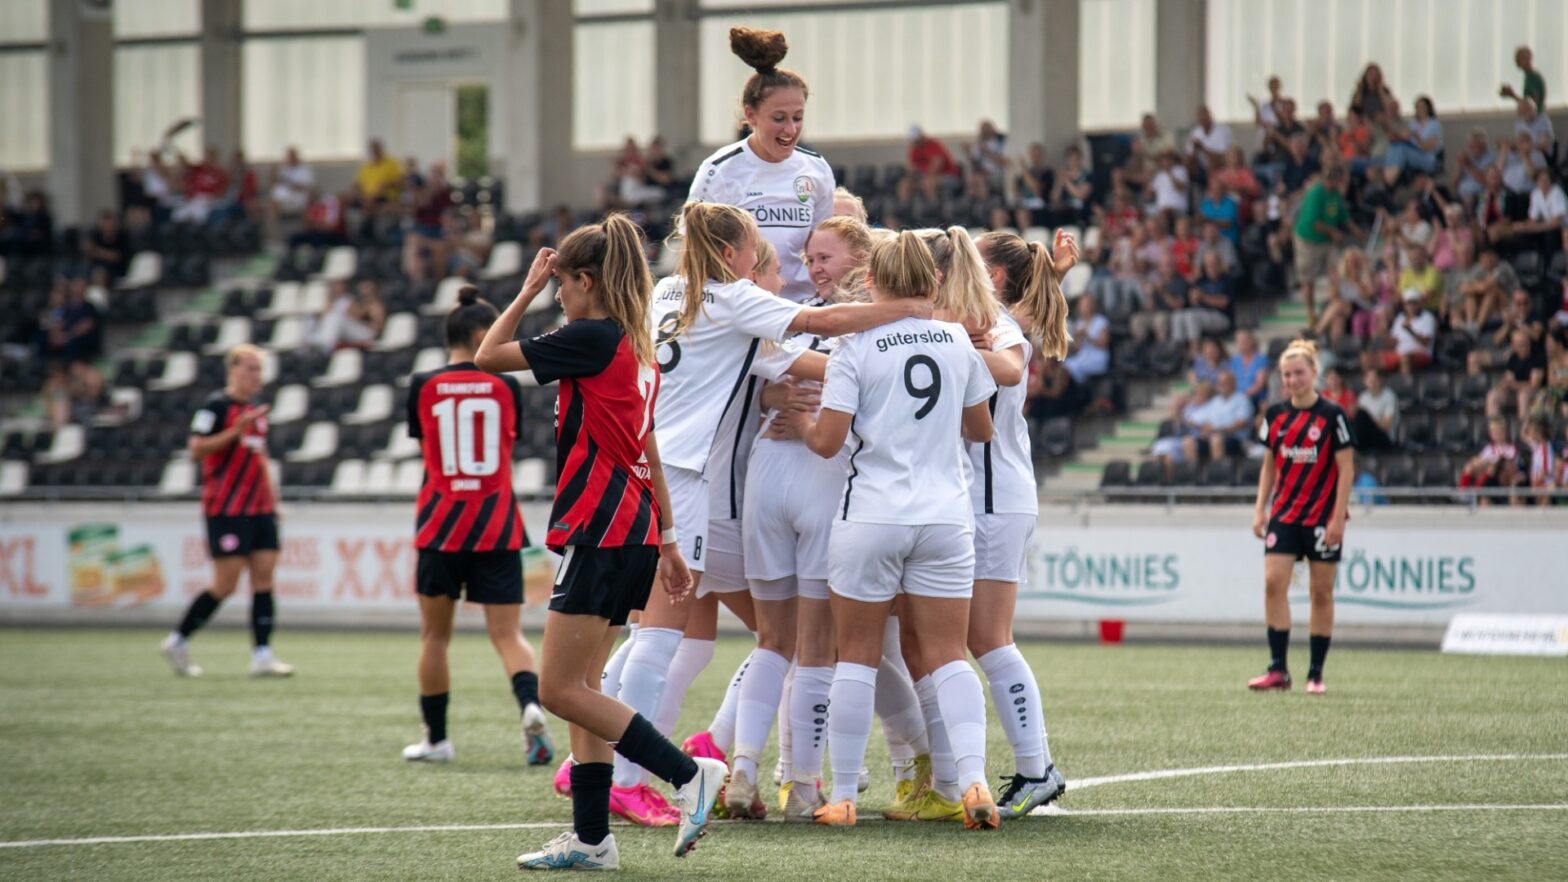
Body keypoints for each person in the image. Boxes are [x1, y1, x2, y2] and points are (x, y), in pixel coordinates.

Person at [607, 202, 928, 826]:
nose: (769, 264)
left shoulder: (666, 292)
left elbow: (795, 361)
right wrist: (913, 314)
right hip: (693, 478)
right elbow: (821, 321)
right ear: (733, 256)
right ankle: (630, 776)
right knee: (676, 636)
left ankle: (622, 761)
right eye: (761, 253)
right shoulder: (730, 298)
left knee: (660, 630)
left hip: (643, 462)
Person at [472, 216, 726, 869]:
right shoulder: (636, 348)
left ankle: (687, 774)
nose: (557, 294)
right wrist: (668, 540)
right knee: (585, 686)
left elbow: (486, 358)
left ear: (586, 280)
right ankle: (592, 838)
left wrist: (523, 291)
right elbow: (651, 453)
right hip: (635, 530)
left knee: (558, 690)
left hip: (601, 528)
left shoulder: (591, 337)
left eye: (562, 283)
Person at [800, 230, 999, 828]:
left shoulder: (856, 347)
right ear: (933, 281)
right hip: (944, 516)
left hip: (873, 515)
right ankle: (973, 782)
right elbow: (981, 430)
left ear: (874, 282)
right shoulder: (958, 341)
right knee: (947, 656)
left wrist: (802, 422)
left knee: (856, 656)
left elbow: (829, 441)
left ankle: (843, 797)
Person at [400, 286, 550, 768]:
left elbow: (429, 451)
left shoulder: (423, 384)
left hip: (441, 525)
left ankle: (437, 740)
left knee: (434, 638)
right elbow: (506, 447)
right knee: (508, 635)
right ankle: (529, 705)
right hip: (497, 525)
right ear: (482, 333)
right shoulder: (506, 386)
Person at [970, 228, 1075, 818]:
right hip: (986, 499)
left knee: (988, 639)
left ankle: (1037, 769)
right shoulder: (991, 320)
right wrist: (1052, 276)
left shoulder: (996, 331)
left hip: (993, 500)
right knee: (964, 640)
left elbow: (1010, 359)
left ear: (996, 279)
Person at [161, 345, 294, 679]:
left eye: (259, 370)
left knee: (264, 578)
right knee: (226, 583)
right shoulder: (215, 406)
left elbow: (259, 458)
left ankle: (262, 654)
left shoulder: (255, 411)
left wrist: (274, 501)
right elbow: (195, 449)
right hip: (227, 508)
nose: (256, 376)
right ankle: (178, 639)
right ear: (232, 370)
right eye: (250, 369)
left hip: (259, 508)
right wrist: (235, 431)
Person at [688, 28, 835, 304]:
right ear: (750, 115)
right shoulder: (718, 170)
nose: (790, 129)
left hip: (804, 309)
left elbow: (826, 246)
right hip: (743, 310)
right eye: (779, 118)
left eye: (798, 117)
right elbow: (694, 251)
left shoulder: (816, 169)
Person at [1250, 340, 1355, 694]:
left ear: (1314, 373)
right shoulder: (1275, 415)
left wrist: (1338, 517)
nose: (1293, 379)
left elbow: (1346, 469)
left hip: (1322, 517)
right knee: (1272, 583)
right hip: (1284, 515)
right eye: (1286, 374)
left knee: (1320, 593)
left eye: (1299, 372)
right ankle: (1278, 669)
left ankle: (1315, 673)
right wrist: (1259, 508)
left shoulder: (1332, 415)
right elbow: (1268, 467)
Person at [1292, 165, 1359, 325]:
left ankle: (1332, 302)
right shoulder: (1315, 194)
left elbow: (1343, 216)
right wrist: (1333, 233)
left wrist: (1357, 231)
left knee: (1336, 270)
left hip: (1326, 241)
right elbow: (1314, 222)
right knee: (1307, 278)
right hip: (1308, 239)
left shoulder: (1335, 194)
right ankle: (1310, 313)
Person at [1354, 368, 1399, 450]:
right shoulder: (1363, 397)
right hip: (1367, 437)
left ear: (1380, 380)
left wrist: (1369, 420)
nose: (1372, 382)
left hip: (1384, 438)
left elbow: (1386, 425)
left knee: (1361, 415)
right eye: (1369, 380)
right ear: (1365, 381)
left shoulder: (1389, 396)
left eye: (1375, 379)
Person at [1499, 45, 1546, 111]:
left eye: (1519, 58)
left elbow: (1532, 104)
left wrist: (1512, 95)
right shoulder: (1528, 77)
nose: (1516, 61)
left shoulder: (1533, 78)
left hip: (1535, 118)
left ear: (1528, 59)